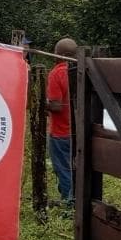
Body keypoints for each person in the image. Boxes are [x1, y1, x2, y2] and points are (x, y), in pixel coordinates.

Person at [46, 37, 77, 207]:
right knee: (75, 168)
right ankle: (71, 199)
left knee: (63, 169)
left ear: (62, 55)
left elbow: (56, 106)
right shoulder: (81, 71)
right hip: (77, 131)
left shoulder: (57, 73)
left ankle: (69, 204)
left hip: (60, 133)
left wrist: (39, 103)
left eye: (56, 52)